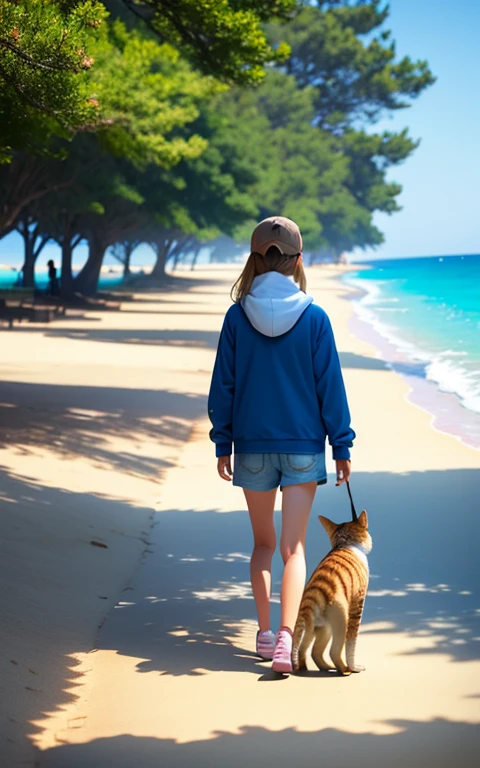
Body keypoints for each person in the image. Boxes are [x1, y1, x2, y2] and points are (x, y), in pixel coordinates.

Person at [208, 216, 355, 674]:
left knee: (263, 546)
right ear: (297, 259)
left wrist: (223, 443)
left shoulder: (236, 316)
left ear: (254, 259)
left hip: (251, 446)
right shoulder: (314, 317)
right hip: (302, 447)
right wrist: (342, 445)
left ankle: (265, 632)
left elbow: (223, 388)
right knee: (295, 548)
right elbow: (329, 386)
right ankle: (286, 642)